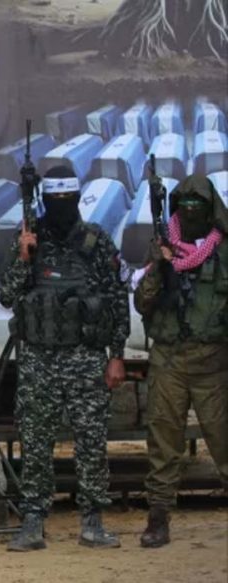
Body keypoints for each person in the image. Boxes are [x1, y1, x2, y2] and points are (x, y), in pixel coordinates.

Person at [0, 165, 128, 551]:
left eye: (66, 199)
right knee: (35, 442)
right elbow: (6, 295)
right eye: (53, 199)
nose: (60, 205)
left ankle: (93, 521)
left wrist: (117, 356)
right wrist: (24, 257)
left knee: (91, 440)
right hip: (38, 358)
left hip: (85, 356)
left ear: (77, 197)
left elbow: (116, 300)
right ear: (44, 199)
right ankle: (33, 522)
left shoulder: (96, 241)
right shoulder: (29, 239)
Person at [133, 173, 228, 548]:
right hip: (169, 359)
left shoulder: (224, 251)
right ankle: (158, 519)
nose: (190, 212)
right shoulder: (161, 247)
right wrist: (160, 266)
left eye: (197, 206)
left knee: (224, 441)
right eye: (183, 205)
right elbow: (142, 302)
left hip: (214, 361)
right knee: (163, 444)